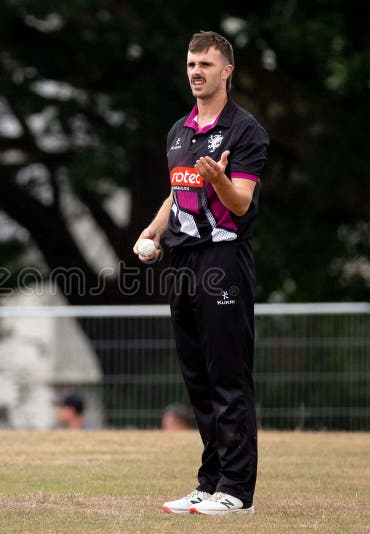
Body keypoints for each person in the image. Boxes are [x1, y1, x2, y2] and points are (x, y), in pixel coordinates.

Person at [135, 31, 268, 516]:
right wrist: (151, 233)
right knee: (197, 378)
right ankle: (210, 482)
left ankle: (237, 491)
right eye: (191, 63)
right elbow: (177, 195)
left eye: (206, 64)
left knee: (228, 375)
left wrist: (220, 181)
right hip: (184, 264)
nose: (196, 72)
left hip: (224, 260)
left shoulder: (244, 130)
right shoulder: (179, 131)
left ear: (226, 70)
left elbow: (241, 203)